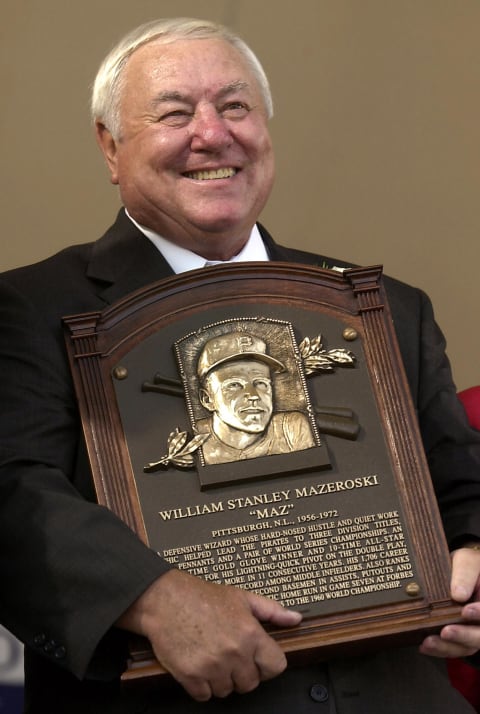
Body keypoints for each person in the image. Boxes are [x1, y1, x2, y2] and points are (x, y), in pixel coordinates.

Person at [1, 17, 480, 714]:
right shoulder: (27, 308)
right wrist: (154, 599)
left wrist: (471, 557)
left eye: (235, 107)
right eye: (174, 113)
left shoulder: (384, 309)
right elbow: (12, 492)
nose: (212, 134)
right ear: (111, 146)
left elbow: (461, 481)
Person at [196, 331, 316, 464]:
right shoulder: (192, 442)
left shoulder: (292, 430)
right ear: (207, 399)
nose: (254, 396)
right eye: (235, 385)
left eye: (260, 383)